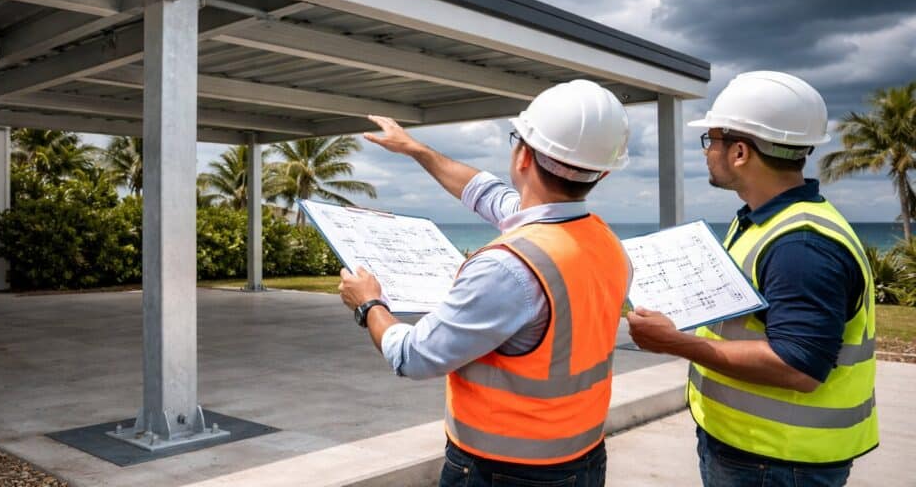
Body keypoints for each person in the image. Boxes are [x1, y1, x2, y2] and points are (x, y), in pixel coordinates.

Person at [338, 80, 633, 487]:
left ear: (524, 155)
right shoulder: (603, 241)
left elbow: (414, 356)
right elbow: (488, 194)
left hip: (503, 471)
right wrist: (416, 149)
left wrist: (368, 304)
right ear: (601, 171)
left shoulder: (508, 268)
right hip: (582, 458)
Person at [628, 71, 878, 487]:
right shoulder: (763, 221)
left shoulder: (801, 245)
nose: (708, 152)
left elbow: (798, 365)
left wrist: (676, 342)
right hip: (755, 451)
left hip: (778, 461)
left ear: (740, 151)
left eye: (712, 140)